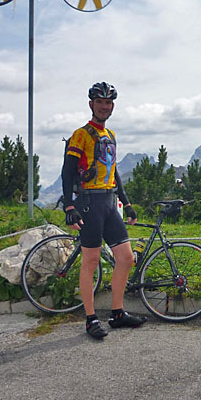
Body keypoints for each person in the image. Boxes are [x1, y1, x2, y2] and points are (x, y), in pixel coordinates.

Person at [62, 82, 147, 339]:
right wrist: (69, 206)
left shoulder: (110, 135)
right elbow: (67, 172)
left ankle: (117, 314)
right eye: (100, 102)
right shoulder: (80, 135)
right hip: (89, 204)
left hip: (109, 203)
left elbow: (113, 172)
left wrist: (127, 202)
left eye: (108, 103)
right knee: (91, 261)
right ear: (91, 104)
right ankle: (90, 319)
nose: (104, 106)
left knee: (125, 258)